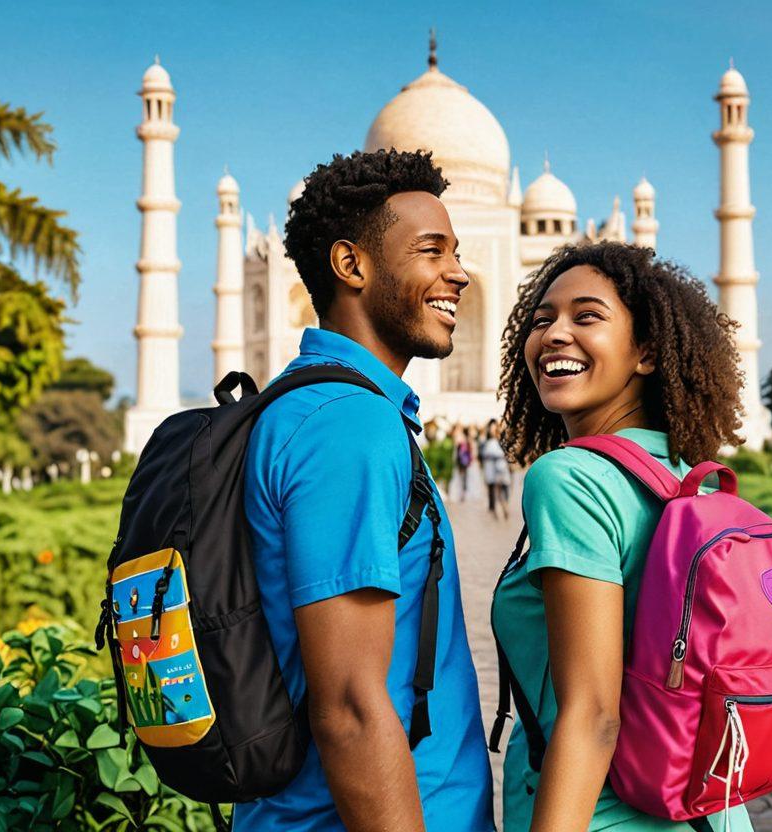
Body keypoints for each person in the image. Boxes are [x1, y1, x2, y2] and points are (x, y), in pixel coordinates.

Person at [239, 149, 493, 831]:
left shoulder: (312, 408)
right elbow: (352, 708)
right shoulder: (349, 426)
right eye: (431, 252)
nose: (458, 275)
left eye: (458, 252)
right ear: (351, 265)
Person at [491, 242, 751, 832]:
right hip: (713, 815)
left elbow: (592, 715)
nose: (555, 334)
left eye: (587, 317)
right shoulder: (688, 478)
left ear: (648, 353)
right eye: (541, 320)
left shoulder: (570, 476)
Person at [481, 419, 512, 520]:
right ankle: (499, 510)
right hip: (496, 470)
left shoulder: (500, 442)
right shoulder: (490, 442)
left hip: (502, 469)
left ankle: (503, 509)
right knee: (497, 491)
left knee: (503, 491)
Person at [453, 424, 474, 501]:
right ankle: (462, 493)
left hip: (462, 462)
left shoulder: (462, 440)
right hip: (464, 462)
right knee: (464, 478)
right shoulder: (466, 440)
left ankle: (462, 493)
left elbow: (460, 452)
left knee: (462, 478)